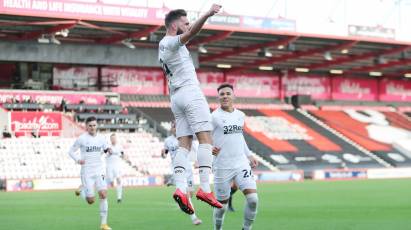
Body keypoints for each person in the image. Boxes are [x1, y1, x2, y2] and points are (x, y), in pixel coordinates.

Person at [158, 4, 223, 214]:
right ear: (174, 24)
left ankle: (180, 189)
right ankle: (205, 189)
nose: (188, 26)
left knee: (183, 145)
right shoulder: (171, 42)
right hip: (190, 93)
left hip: (175, 97)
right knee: (206, 139)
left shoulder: (162, 46)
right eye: (185, 23)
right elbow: (193, 32)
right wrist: (207, 14)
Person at [211, 83, 259, 230]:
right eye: (222, 94)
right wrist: (209, 149)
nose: (225, 96)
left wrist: (249, 155)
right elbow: (203, 137)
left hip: (241, 163)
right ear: (218, 97)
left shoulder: (240, 115)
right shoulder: (213, 117)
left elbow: (239, 136)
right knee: (221, 207)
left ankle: (246, 228)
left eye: (228, 93)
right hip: (222, 166)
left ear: (233, 96)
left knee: (253, 200)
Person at [68, 116, 112, 230]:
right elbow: (71, 151)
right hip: (87, 171)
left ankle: (103, 224)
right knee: (91, 201)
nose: (92, 127)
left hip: (100, 170)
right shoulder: (82, 139)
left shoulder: (102, 138)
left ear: (97, 126)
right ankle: (82, 188)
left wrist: (109, 150)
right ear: (86, 127)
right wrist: (78, 160)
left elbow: (107, 149)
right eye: (90, 126)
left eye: (94, 125)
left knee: (103, 194)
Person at [162, 121, 202, 225]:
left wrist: (198, 160)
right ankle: (194, 218)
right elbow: (165, 153)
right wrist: (163, 153)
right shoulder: (168, 141)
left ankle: (178, 194)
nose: (175, 129)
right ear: (171, 129)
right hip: (177, 168)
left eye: (177, 127)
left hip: (188, 168)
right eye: (173, 127)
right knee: (187, 195)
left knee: (190, 192)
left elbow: (196, 150)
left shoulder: (186, 138)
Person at [106, 133, 125, 203]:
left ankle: (119, 198)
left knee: (119, 180)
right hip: (109, 166)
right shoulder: (108, 147)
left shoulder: (119, 147)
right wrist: (108, 153)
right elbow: (105, 153)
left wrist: (122, 156)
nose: (113, 140)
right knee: (111, 181)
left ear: (116, 139)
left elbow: (123, 154)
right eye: (112, 138)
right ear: (110, 139)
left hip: (117, 165)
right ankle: (111, 182)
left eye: (114, 138)